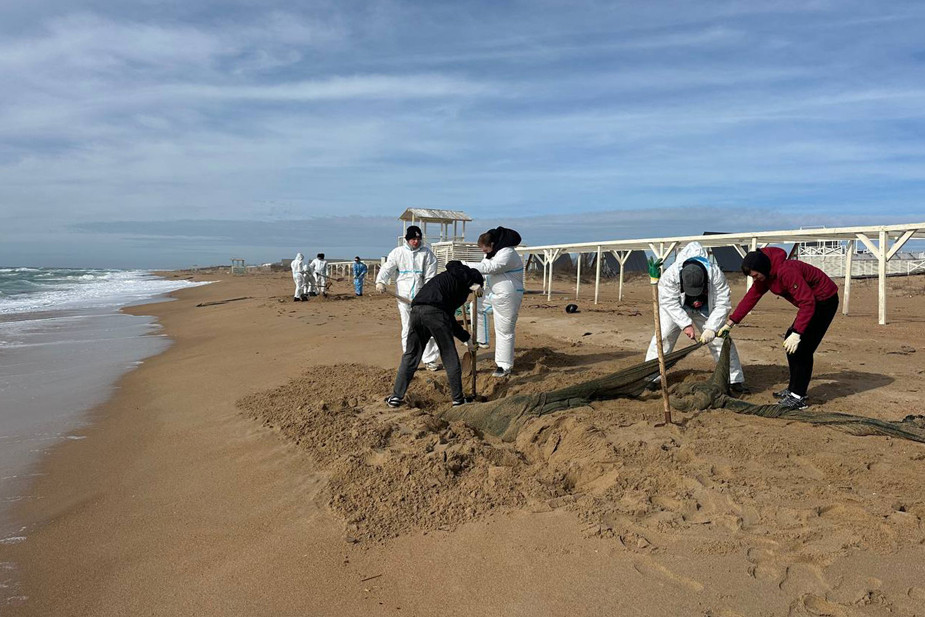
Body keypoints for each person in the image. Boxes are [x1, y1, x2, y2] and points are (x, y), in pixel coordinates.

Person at [718, 247, 839, 410]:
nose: (755, 279)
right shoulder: (765, 276)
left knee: (803, 348)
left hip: (824, 301)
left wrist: (798, 333)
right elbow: (751, 298)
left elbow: (808, 302)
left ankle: (798, 397)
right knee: (790, 341)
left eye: (755, 275)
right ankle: (793, 389)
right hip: (811, 303)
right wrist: (730, 323)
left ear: (762, 268)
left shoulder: (786, 271)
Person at [644, 242, 747, 392]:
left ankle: (734, 379)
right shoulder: (671, 275)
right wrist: (685, 324)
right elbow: (668, 301)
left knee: (720, 340)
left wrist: (711, 328)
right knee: (663, 337)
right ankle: (651, 377)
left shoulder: (715, 274)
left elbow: (723, 303)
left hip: (705, 308)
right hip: (677, 307)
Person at [385, 261, 483, 408]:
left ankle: (395, 397)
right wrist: (466, 338)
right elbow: (448, 319)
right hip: (435, 313)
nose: (469, 294)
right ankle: (458, 399)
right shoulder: (462, 285)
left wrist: (466, 339)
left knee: (411, 355)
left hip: (416, 311)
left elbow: (447, 316)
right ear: (471, 285)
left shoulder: (447, 276)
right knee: (449, 355)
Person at [375, 225, 442, 371]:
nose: (416, 242)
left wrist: (426, 296)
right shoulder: (398, 252)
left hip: (423, 299)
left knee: (427, 328)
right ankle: (410, 359)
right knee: (408, 328)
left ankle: (430, 360)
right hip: (403, 297)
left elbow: (430, 277)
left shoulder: (427, 254)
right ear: (407, 239)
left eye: (418, 239)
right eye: (413, 239)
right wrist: (380, 281)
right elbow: (388, 268)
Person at [462, 227, 523, 378]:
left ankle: (504, 365)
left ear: (493, 244)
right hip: (494, 292)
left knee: (504, 330)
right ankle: (481, 340)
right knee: (476, 306)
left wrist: (463, 265)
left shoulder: (507, 253)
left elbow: (491, 268)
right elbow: (482, 270)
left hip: (508, 295)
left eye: (485, 249)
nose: (484, 252)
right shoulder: (491, 253)